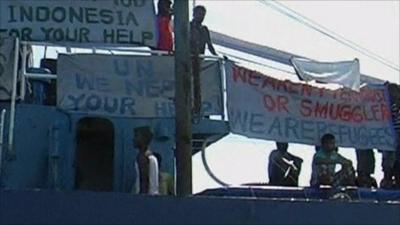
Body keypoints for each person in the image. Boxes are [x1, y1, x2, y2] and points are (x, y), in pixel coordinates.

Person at [133, 126, 159, 195]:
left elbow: (144, 183)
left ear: (144, 139)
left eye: (136, 136)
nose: (133, 139)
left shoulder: (144, 158)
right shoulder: (151, 157)